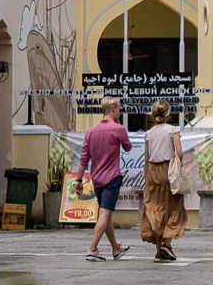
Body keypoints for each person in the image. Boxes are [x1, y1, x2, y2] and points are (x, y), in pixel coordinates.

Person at [73, 98, 133, 262]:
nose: (120, 111)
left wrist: (78, 180)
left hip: (97, 179)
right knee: (105, 213)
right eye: (119, 109)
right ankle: (92, 249)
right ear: (113, 108)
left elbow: (84, 159)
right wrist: (119, 126)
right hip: (112, 177)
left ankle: (116, 248)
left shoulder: (91, 132)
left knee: (106, 216)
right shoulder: (118, 129)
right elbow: (128, 146)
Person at [139, 100, 188, 262]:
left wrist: (147, 177)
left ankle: (159, 249)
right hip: (167, 169)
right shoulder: (173, 130)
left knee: (154, 208)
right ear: (168, 113)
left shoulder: (149, 133)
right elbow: (179, 152)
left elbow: (146, 159)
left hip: (152, 172)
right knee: (173, 205)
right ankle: (166, 244)